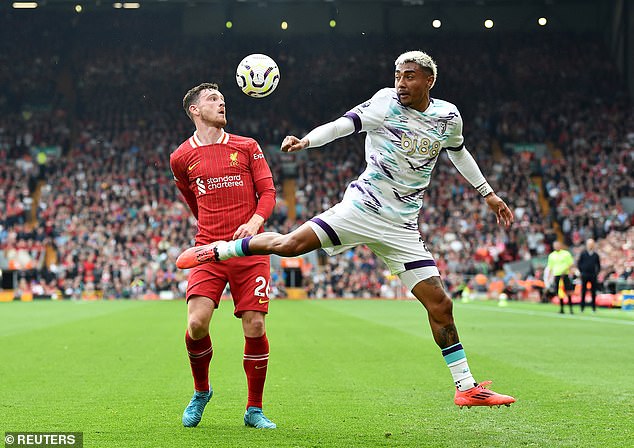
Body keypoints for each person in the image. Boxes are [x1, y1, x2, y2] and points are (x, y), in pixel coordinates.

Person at [177, 52, 515, 408]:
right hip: (361, 208)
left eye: (410, 77)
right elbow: (343, 125)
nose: (401, 83)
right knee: (291, 245)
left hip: (402, 225)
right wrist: (306, 141)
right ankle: (218, 250)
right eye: (398, 75)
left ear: (429, 81)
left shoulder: (448, 117)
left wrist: (487, 194)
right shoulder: (384, 102)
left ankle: (466, 387)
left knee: (441, 303)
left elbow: (459, 152)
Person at [170, 83, 277, 429]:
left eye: (222, 100)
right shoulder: (180, 157)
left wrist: (254, 222)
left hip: (250, 249)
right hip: (208, 250)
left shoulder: (247, 146)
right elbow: (193, 204)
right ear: (195, 110)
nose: (221, 104)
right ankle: (201, 391)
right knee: (196, 323)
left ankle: (254, 409)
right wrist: (212, 236)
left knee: (255, 324)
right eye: (212, 100)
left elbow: (268, 192)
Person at [546, 241, 575, 314]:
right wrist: (549, 277)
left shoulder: (566, 253)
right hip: (557, 275)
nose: (556, 247)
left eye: (558, 245)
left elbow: (571, 264)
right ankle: (562, 308)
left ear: (560, 245)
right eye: (555, 245)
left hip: (565, 275)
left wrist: (566, 270)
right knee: (560, 293)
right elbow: (550, 267)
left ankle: (571, 308)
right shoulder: (551, 255)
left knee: (568, 292)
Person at [577, 238, 601, 312]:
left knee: (593, 292)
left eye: (591, 244)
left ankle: (593, 308)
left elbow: (598, 265)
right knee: (583, 291)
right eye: (589, 244)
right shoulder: (583, 254)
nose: (590, 246)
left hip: (593, 275)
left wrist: (596, 273)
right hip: (585, 275)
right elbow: (579, 264)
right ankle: (582, 307)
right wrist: (582, 272)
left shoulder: (596, 255)